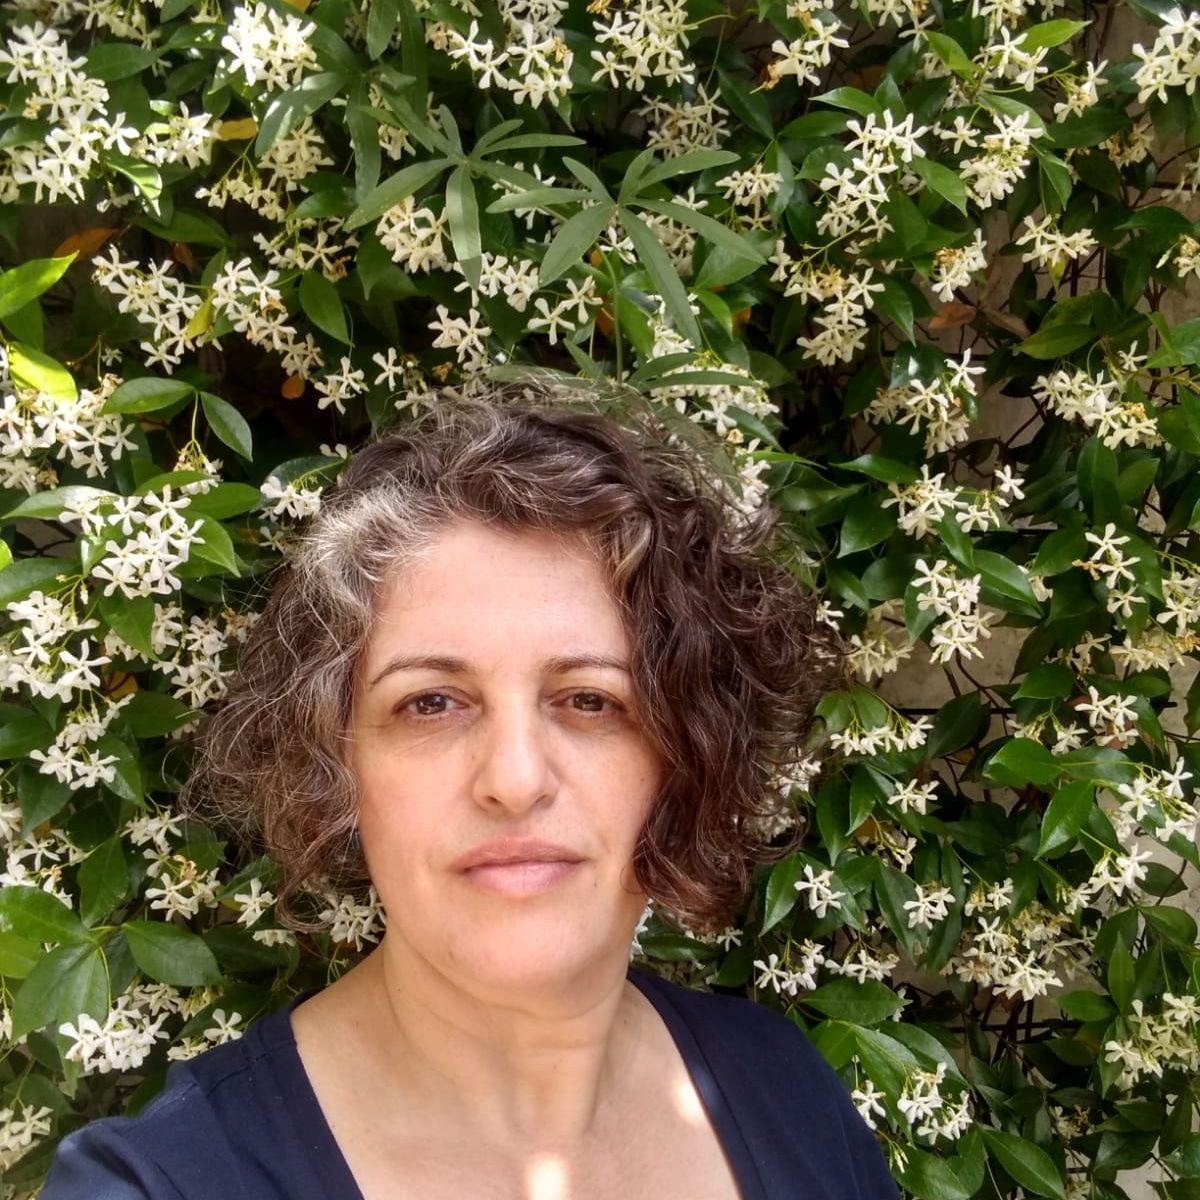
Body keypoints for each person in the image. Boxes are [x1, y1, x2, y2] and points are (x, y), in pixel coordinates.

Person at [42, 385, 898, 1200]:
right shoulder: (159, 1185)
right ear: (335, 763)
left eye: (591, 701)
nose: (515, 780)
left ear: (686, 755)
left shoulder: (782, 1085)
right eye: (430, 704)